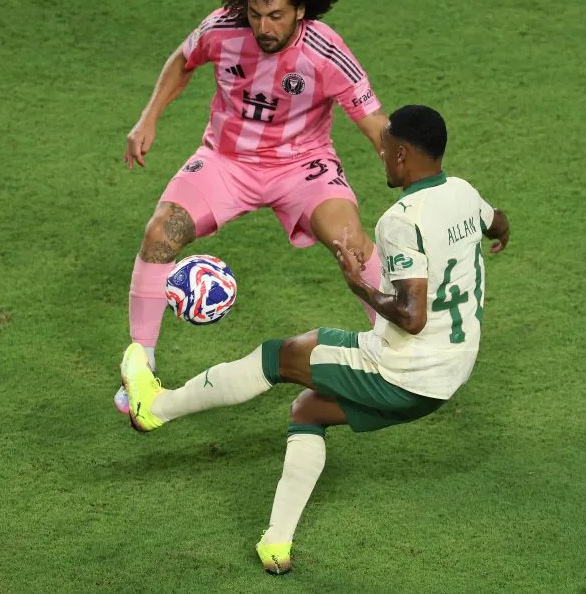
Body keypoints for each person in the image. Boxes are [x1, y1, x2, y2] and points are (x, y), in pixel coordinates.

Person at [119, 105, 511, 574]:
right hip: (451, 373)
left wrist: (359, 285)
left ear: (403, 155)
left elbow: (411, 316)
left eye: (385, 148)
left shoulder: (402, 220)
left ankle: (154, 408)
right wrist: (497, 235)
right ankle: (276, 545)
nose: (380, 155)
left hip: (404, 369)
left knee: (278, 356)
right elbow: (497, 221)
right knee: (308, 410)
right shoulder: (465, 193)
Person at [115, 0, 391, 413]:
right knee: (160, 233)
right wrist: (148, 119)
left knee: (351, 241)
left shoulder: (325, 50)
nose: (264, 27)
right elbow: (182, 60)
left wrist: (413, 175)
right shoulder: (223, 27)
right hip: (227, 161)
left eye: (277, 16)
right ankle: (140, 368)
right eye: (257, 14)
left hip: (302, 166)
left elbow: (374, 122)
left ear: (300, 11)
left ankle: (400, 348)